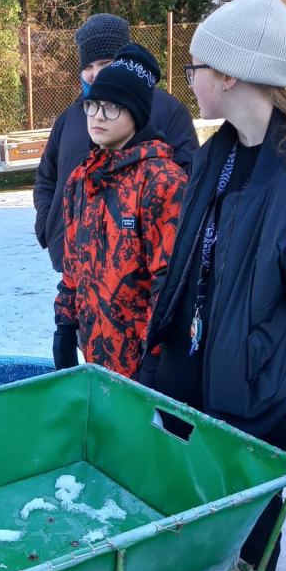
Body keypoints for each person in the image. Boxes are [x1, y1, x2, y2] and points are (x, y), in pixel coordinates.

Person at [141, 0, 286, 571]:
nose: (189, 79)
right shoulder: (217, 153)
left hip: (257, 413)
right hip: (192, 394)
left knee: (246, 554)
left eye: (195, 67)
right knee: (190, 543)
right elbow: (193, 262)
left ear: (227, 75)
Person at [53, 44, 186, 377]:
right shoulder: (81, 180)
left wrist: (154, 360)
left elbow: (168, 285)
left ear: (136, 114)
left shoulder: (162, 181)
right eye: (93, 105)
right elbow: (72, 265)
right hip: (94, 354)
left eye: (112, 107)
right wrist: (65, 325)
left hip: (142, 365)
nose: (98, 116)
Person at [33, 12, 198, 275]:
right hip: (74, 265)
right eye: (87, 66)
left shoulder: (167, 111)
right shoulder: (70, 117)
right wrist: (48, 225)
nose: (94, 74)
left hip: (133, 274)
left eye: (105, 63)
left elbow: (187, 181)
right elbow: (46, 177)